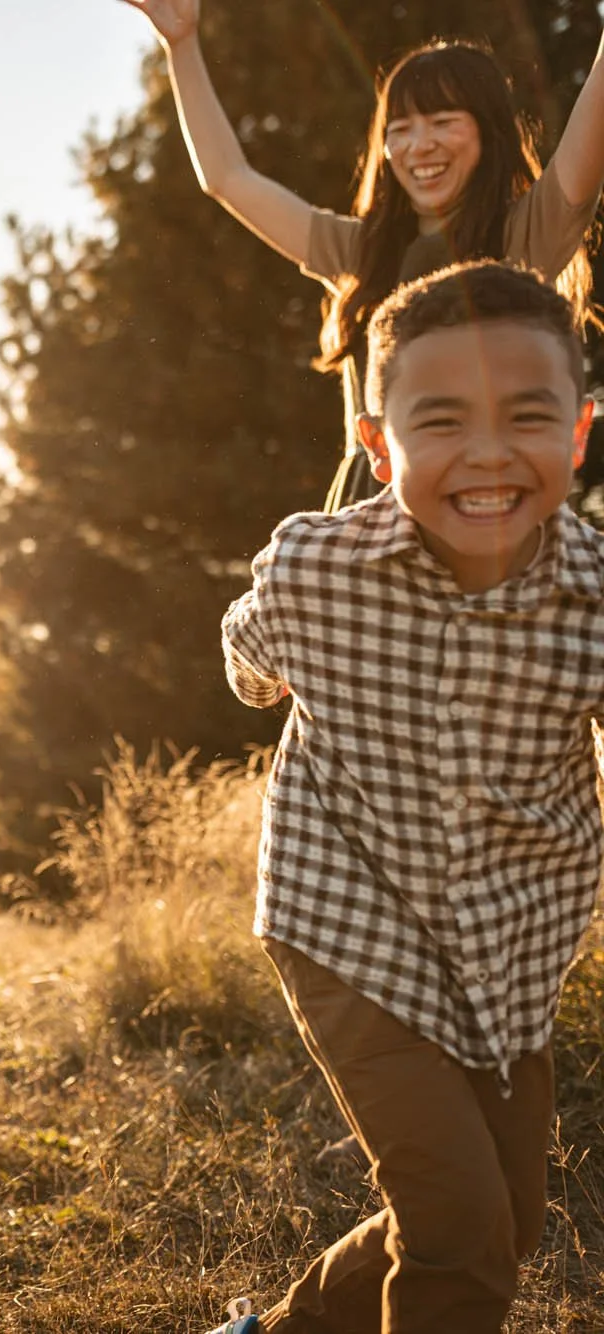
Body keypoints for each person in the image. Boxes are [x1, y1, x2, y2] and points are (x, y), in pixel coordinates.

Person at [211, 260, 604, 1333]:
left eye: (526, 415)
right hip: (345, 921)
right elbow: (247, 650)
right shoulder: (315, 567)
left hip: (509, 944)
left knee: (503, 1221)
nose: (488, 451)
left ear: (578, 431)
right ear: (378, 448)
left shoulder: (594, 600)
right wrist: (269, 681)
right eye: (441, 420)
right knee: (458, 1231)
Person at [121, 0, 604, 509]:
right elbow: (228, 178)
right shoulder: (361, 253)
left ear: (490, 132)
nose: (419, 145)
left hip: (488, 503)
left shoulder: (527, 234)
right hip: (369, 510)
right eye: (401, 129)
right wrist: (182, 46)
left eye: (443, 121)